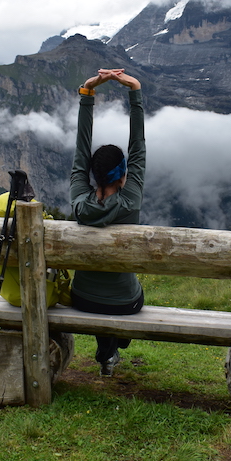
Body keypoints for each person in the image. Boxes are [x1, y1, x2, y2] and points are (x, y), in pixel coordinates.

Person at [70, 68, 145, 377]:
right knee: (126, 293)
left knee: (101, 294)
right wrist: (135, 91)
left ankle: (108, 349)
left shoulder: (78, 201)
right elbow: (138, 147)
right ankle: (112, 344)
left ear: (91, 174)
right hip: (125, 302)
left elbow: (79, 150)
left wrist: (88, 92)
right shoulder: (131, 200)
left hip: (82, 299)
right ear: (125, 175)